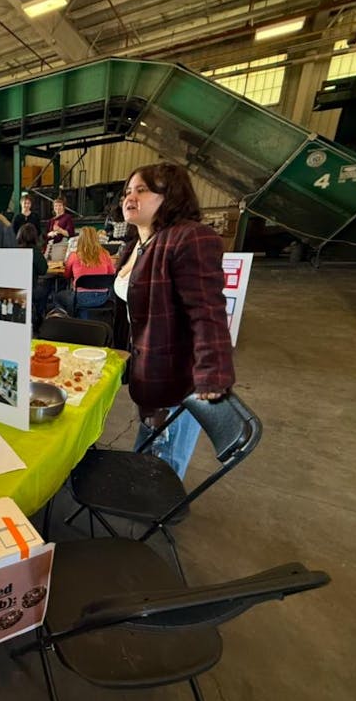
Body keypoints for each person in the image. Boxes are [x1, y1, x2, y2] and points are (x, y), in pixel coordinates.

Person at [114, 162, 234, 479]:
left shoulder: (189, 238)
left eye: (142, 190)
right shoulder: (134, 246)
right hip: (149, 370)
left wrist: (212, 374)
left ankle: (162, 514)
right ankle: (145, 504)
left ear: (171, 196)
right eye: (128, 191)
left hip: (179, 378)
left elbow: (207, 311)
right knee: (148, 449)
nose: (130, 197)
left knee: (164, 461)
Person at [54, 226, 116, 316]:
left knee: (57, 297)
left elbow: (67, 275)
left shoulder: (74, 256)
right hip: (103, 298)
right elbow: (111, 273)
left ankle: (75, 322)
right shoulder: (105, 254)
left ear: (80, 239)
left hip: (80, 298)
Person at [16, 223, 48, 329]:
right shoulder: (35, 252)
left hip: (16, 290)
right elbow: (43, 270)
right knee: (46, 290)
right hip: (31, 289)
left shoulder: (13, 250)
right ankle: (39, 318)